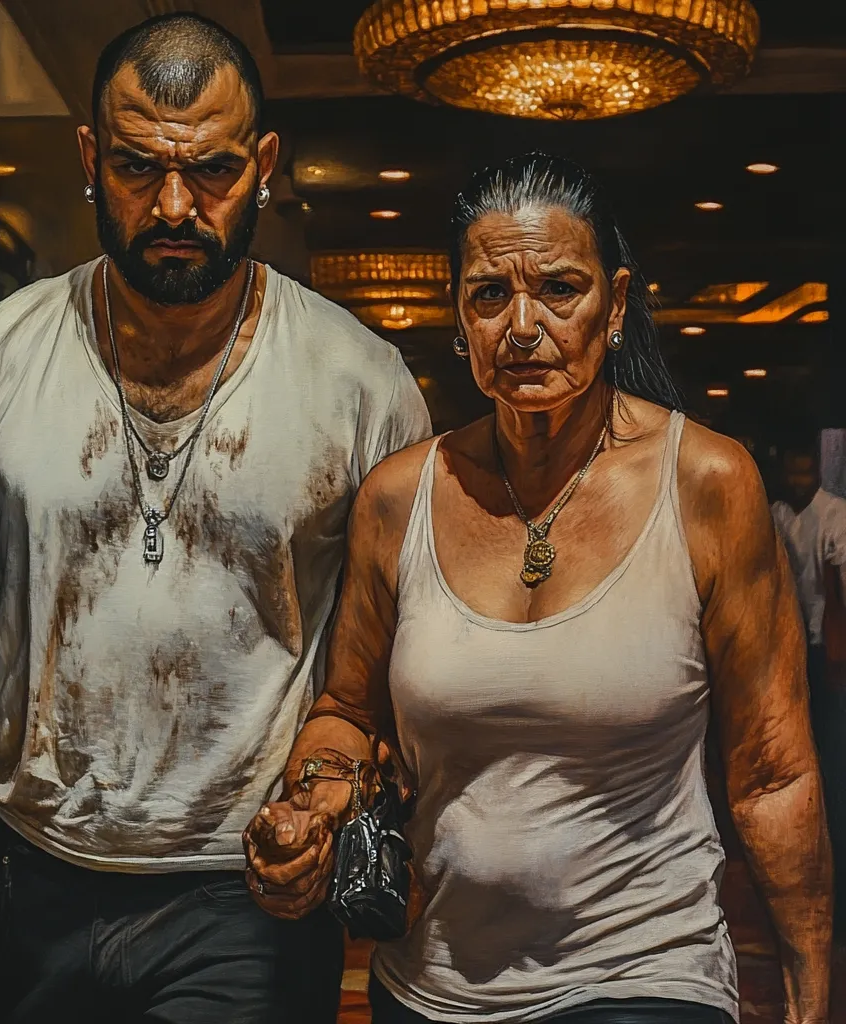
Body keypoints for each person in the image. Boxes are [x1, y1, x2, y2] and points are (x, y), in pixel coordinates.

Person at [0, 13, 430, 1023]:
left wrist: (335, 807)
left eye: (212, 172)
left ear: (263, 166)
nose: (174, 205)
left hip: (248, 886)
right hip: (31, 868)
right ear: (91, 159)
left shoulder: (359, 382)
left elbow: (394, 647)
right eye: (136, 168)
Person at [245, 154, 832, 1024]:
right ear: (460, 316)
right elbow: (347, 710)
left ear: (615, 305)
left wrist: (811, 995)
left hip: (645, 972)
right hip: (432, 983)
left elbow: (772, 775)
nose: (523, 326)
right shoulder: (400, 498)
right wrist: (317, 796)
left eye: (560, 290)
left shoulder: (707, 483)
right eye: (490, 295)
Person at [771, 435, 846, 935]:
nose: (799, 481)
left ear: (817, 472)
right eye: (792, 473)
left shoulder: (835, 514)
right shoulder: (778, 514)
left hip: (828, 649)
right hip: (789, 647)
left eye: (806, 473)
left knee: (831, 755)